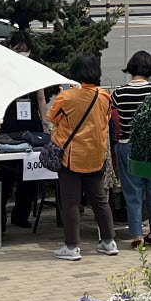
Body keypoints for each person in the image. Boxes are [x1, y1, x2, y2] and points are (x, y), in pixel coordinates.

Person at [46, 53, 115, 261]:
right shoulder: (104, 96)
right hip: (96, 155)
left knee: (71, 202)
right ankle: (109, 242)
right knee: (100, 200)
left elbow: (53, 118)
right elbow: (105, 120)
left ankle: (72, 246)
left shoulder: (66, 97)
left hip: (71, 156)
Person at [112, 51, 151, 249]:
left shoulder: (119, 93)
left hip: (127, 144)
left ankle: (137, 235)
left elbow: (113, 117)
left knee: (132, 192)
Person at [0, 33, 46, 229]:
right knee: (7, 172)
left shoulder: (35, 67)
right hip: (10, 124)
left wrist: (45, 123)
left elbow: (41, 97)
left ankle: (21, 214)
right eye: (19, 49)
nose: (23, 53)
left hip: (31, 123)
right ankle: (0, 216)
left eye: (26, 50)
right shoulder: (4, 68)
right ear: (11, 48)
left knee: (30, 172)